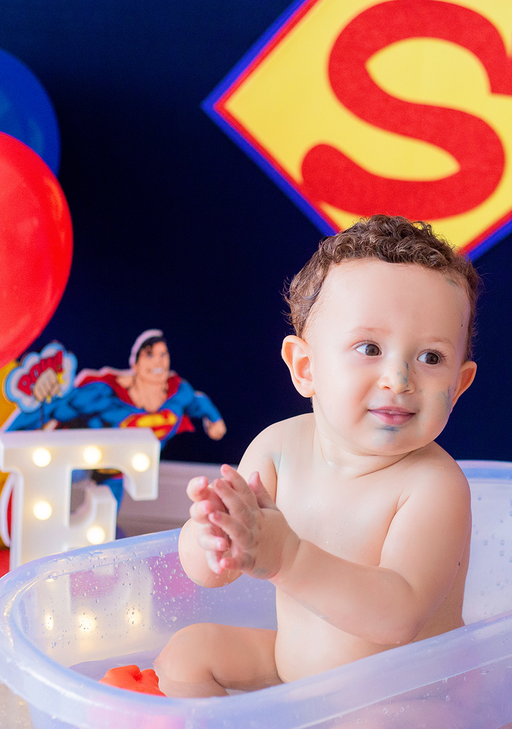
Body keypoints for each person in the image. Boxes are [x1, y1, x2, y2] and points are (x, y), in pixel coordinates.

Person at [152, 214, 479, 697]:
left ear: (459, 384)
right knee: (187, 654)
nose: (400, 378)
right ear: (306, 367)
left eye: (431, 358)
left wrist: (286, 556)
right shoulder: (278, 448)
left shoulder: (433, 486)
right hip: (296, 670)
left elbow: (399, 616)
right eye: (369, 347)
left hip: (400, 702)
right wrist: (214, 538)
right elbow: (209, 575)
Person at [3, 330, 226, 444]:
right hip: (87, 462)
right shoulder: (104, 396)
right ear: (136, 364)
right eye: (150, 355)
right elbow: (57, 406)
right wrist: (8, 436)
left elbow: (199, 403)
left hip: (122, 473)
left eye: (163, 355)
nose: (158, 362)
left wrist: (214, 420)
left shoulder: (178, 393)